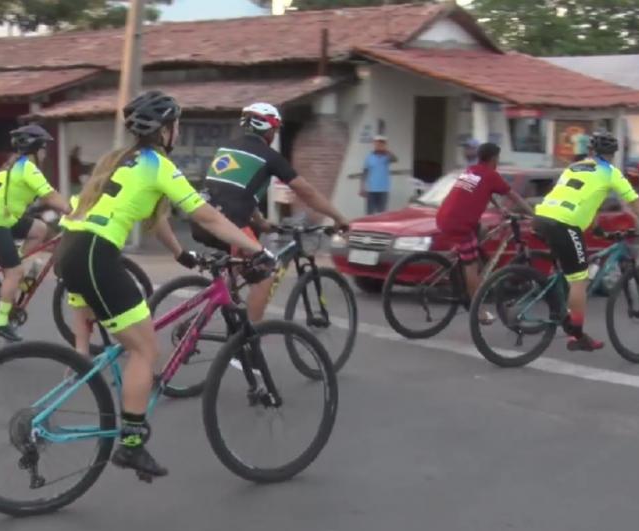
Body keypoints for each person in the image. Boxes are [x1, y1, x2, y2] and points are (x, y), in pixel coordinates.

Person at [57, 90, 273, 478]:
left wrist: (180, 255)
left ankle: (80, 368)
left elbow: (155, 220)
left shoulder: (120, 160)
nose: (178, 132)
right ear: (166, 130)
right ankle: (133, 444)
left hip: (71, 248)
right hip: (95, 253)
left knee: (112, 341)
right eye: (177, 125)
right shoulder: (157, 164)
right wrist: (253, 247)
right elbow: (205, 215)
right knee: (144, 350)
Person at [192, 102, 349, 324]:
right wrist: (338, 217)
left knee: (240, 269)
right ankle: (246, 345)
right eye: (275, 130)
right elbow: (308, 192)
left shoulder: (227, 148)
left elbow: (237, 191)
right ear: (269, 129)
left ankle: (204, 317)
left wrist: (261, 222)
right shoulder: (269, 156)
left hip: (201, 221)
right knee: (265, 273)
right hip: (230, 226)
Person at [533, 131, 639, 351]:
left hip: (542, 216)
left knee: (568, 266)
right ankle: (577, 336)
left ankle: (558, 304)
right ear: (612, 155)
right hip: (565, 223)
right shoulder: (610, 173)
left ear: (591, 151)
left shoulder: (574, 167)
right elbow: (635, 202)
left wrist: (599, 231)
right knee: (579, 279)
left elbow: (582, 199)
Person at [0, 124, 71, 342]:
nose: (45, 153)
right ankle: (1, 322)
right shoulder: (28, 168)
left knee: (40, 229)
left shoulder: (13, 165)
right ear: (35, 149)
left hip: (0, 217)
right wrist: (74, 212)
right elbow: (51, 196)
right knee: (14, 272)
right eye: (43, 148)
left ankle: (17, 269)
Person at [435, 143, 533, 324]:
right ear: (494, 158)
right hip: (460, 224)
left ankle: (460, 257)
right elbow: (515, 197)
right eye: (498, 158)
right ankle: (477, 310)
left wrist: (500, 208)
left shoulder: (471, 171)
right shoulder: (491, 175)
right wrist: (534, 215)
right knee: (471, 265)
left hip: (443, 217)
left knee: (482, 229)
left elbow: (485, 192)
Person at [360, 135, 397, 214]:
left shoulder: (387, 157)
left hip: (383, 190)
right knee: (370, 213)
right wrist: (362, 187)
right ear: (374, 144)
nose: (379, 145)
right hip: (371, 190)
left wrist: (386, 150)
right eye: (377, 143)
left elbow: (395, 159)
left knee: (382, 213)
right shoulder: (369, 157)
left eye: (382, 143)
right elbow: (365, 173)